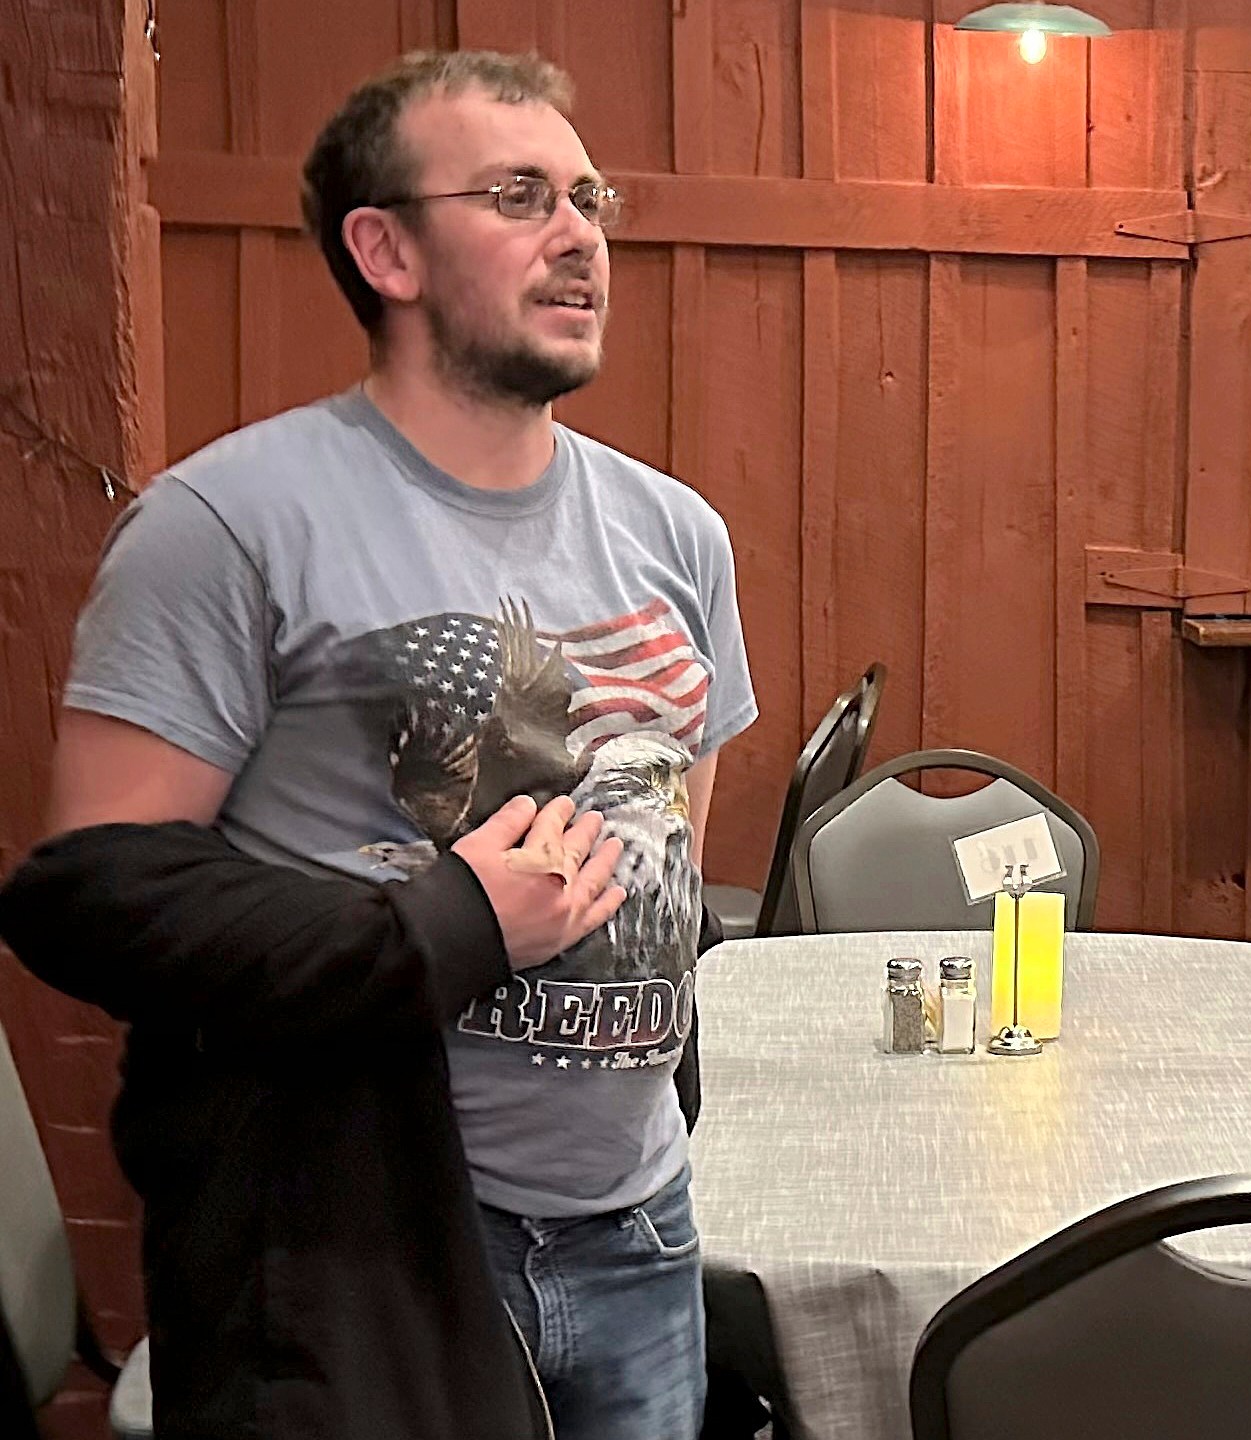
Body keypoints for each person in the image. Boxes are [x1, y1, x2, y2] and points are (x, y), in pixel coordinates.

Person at [0, 51, 753, 1439]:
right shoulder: (225, 521)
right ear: (384, 247)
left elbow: (671, 856)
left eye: (590, 197)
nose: (580, 233)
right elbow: (98, 897)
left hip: (638, 1230)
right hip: (362, 1254)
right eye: (520, 195)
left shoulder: (676, 534)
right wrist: (448, 920)